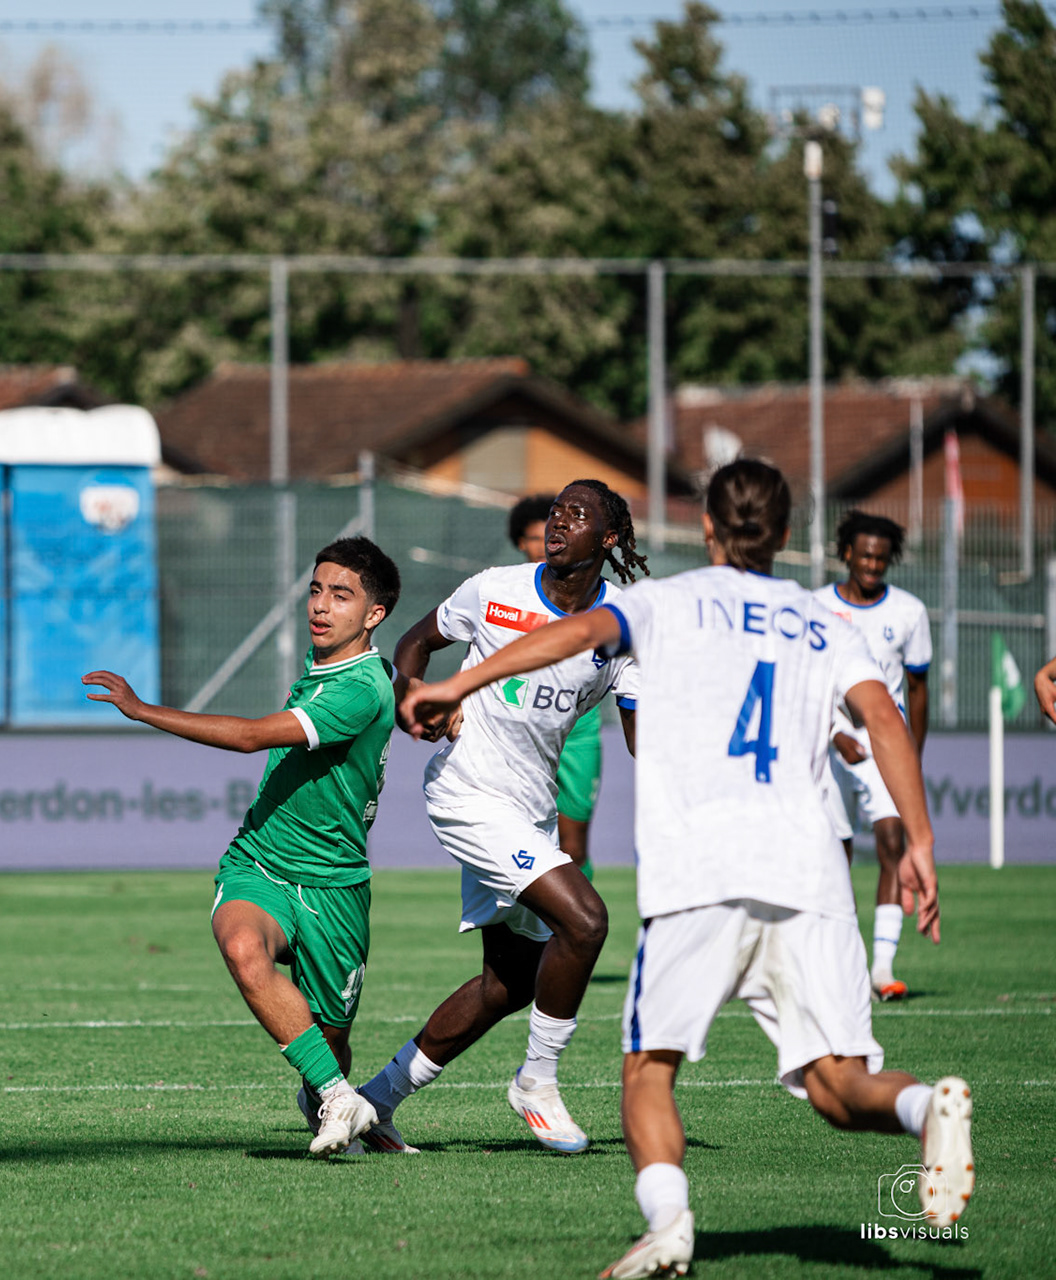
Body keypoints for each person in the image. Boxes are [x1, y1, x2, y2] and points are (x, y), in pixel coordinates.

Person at [404, 460, 971, 1277]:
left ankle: (668, 1224)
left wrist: (459, 680)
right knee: (840, 1085)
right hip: (809, 874)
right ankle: (925, 1109)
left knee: (647, 1071)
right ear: (784, 535)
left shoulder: (663, 602)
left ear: (707, 527)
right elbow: (884, 717)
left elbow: (571, 634)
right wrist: (919, 839)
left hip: (705, 870)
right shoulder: (828, 624)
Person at [84, 537, 402, 1156]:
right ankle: (340, 1098)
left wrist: (143, 709)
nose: (321, 605)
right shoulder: (340, 670)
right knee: (241, 946)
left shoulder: (359, 687)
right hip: (260, 861)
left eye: (342, 595)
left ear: (373, 615)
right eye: (316, 589)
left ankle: (337, 1096)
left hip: (336, 883)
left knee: (329, 1039)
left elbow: (254, 737)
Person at [357, 480, 645, 1155]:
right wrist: (412, 692)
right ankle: (537, 1082)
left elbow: (645, 741)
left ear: (608, 539)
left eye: (579, 515)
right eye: (556, 511)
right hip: (466, 792)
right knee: (587, 920)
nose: (559, 521)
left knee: (508, 983)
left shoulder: (624, 627)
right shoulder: (495, 589)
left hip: (529, 810)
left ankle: (375, 1101)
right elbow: (415, 642)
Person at [821, 511, 931, 1001]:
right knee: (834, 855)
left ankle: (882, 968)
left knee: (891, 842)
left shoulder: (909, 612)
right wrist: (832, 733)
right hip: (828, 746)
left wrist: (911, 754)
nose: (872, 565)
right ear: (846, 552)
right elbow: (803, 684)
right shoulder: (815, 606)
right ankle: (840, 963)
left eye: (881, 558)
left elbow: (918, 688)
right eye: (865, 555)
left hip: (885, 749)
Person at [508, 493, 607, 878]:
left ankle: (575, 924)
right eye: (535, 537)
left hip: (578, 728)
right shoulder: (506, 591)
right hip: (521, 723)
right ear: (522, 543)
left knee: (573, 845)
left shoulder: (591, 593)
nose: (546, 543)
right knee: (521, 837)